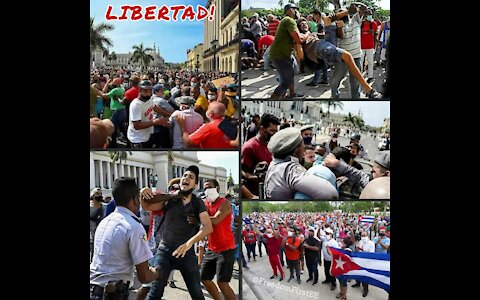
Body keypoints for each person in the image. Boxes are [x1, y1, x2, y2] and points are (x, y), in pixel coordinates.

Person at [141, 165, 214, 300]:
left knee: (197, 293)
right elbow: (147, 206)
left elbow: (208, 227)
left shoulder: (198, 203)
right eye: (184, 176)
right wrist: (143, 193)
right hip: (165, 251)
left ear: (195, 185)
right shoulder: (170, 199)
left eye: (190, 177)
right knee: (155, 292)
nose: (186, 178)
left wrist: (188, 244)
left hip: (187, 253)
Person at [90, 178, 160, 300]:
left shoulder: (105, 222)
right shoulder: (133, 226)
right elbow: (144, 276)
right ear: (135, 199)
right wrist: (159, 270)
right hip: (113, 293)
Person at [298, 9, 382, 98]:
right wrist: (340, 28)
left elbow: (326, 26)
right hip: (327, 52)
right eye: (302, 25)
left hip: (337, 47)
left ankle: (356, 98)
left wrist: (348, 11)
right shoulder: (300, 36)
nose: (304, 25)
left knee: (355, 84)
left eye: (305, 24)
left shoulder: (355, 22)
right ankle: (369, 90)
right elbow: (300, 51)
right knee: (337, 78)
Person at [264, 127, 338, 199]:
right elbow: (331, 194)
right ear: (297, 148)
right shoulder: (291, 170)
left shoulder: (274, 164)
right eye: (302, 143)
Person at [201, 179, 236, 300]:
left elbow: (216, 220)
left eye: (209, 187)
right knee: (204, 278)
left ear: (217, 188)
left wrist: (198, 217)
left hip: (226, 248)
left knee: (222, 282)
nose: (206, 190)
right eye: (205, 188)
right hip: (211, 248)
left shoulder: (225, 203)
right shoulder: (205, 203)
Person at [269, 3, 305, 99]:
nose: (297, 12)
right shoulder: (289, 20)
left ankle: (292, 94)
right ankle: (272, 99)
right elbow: (299, 40)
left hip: (285, 54)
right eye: (295, 9)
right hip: (280, 55)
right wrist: (308, 34)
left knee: (292, 72)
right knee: (286, 82)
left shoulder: (288, 21)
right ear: (290, 10)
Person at [241, 113, 279, 196]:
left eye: (276, 131)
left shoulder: (271, 145)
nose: (274, 134)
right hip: (255, 193)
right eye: (272, 131)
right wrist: (258, 177)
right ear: (262, 129)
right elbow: (243, 172)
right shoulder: (249, 147)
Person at [127, 80, 169, 148]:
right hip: (138, 139)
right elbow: (137, 125)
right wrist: (156, 122)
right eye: (145, 91)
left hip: (147, 135)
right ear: (140, 90)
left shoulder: (149, 99)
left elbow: (155, 107)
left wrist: (168, 115)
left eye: (150, 91)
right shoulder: (136, 105)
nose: (148, 93)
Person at [352, 230, 375, 297]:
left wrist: (362, 250)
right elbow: (357, 251)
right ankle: (357, 283)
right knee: (357, 273)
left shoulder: (371, 243)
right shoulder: (361, 242)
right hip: (359, 260)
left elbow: (371, 254)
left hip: (367, 262)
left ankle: (365, 289)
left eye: (364, 236)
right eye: (362, 236)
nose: (363, 237)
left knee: (364, 276)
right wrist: (357, 247)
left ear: (367, 236)